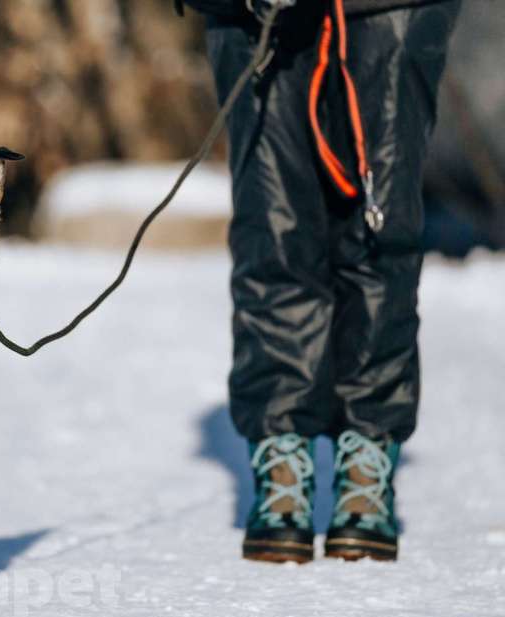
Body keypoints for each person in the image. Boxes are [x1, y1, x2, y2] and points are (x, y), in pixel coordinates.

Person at [176, 0, 460, 561]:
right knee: (273, 234)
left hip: (390, 10)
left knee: (382, 231)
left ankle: (368, 460)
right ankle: (281, 460)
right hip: (253, 15)